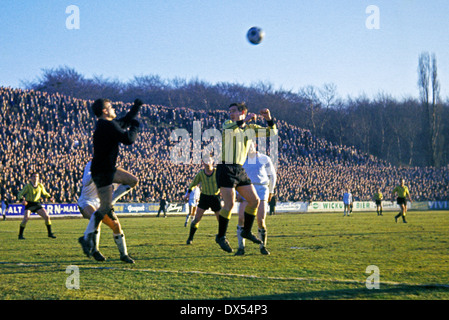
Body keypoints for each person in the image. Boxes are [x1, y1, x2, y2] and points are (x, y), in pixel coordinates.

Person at [78, 98, 142, 264]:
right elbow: (128, 139)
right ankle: (87, 239)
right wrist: (135, 127)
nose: (114, 109)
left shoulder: (104, 125)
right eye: (111, 107)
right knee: (130, 183)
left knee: (130, 183)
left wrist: (136, 107)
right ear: (105, 111)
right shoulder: (107, 125)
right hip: (104, 171)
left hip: (104, 170)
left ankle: (87, 239)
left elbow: (123, 121)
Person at [215, 102, 277, 253]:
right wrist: (246, 119)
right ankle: (221, 236)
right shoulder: (228, 124)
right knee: (229, 205)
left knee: (254, 201)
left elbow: (272, 133)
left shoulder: (250, 129)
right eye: (229, 111)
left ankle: (246, 231)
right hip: (225, 167)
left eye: (234, 111)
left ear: (242, 111)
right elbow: (232, 126)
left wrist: (269, 118)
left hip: (239, 169)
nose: (230, 113)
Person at [77, 160, 135, 261]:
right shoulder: (92, 164)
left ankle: (124, 254)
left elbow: (125, 183)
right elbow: (85, 181)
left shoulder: (110, 167)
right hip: (87, 201)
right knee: (96, 218)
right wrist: (97, 174)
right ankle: (95, 250)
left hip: (102, 202)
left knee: (116, 225)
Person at [235, 140, 276, 256]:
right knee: (241, 219)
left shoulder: (265, 158)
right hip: (246, 189)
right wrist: (237, 192)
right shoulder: (241, 160)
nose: (248, 147)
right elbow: (237, 177)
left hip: (261, 189)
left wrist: (271, 191)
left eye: (250, 145)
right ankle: (241, 248)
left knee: (261, 220)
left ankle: (263, 246)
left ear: (255, 145)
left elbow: (272, 175)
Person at [185, 157, 221, 245]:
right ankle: (190, 238)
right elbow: (193, 183)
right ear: (203, 163)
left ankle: (221, 237)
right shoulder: (201, 174)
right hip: (204, 197)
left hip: (215, 197)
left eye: (209, 160)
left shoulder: (217, 172)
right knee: (197, 219)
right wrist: (188, 193)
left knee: (221, 220)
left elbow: (224, 182)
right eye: (205, 161)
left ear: (212, 162)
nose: (207, 162)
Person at [17, 172, 56, 239]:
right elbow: (20, 194)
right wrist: (22, 200)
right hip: (29, 204)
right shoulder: (28, 186)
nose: (35, 178)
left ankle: (50, 233)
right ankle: (20, 235)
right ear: (31, 178)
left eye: (37, 176)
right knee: (26, 218)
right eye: (34, 176)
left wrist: (50, 198)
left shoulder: (40, 185)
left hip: (37, 204)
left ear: (38, 178)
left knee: (47, 216)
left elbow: (45, 193)